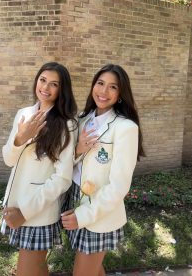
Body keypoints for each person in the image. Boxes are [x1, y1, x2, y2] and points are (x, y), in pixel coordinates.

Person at [61, 64, 145, 276]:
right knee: (94, 269)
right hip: (74, 198)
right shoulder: (82, 119)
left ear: (120, 94)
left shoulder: (126, 128)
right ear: (93, 86)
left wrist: (84, 215)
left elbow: (119, 186)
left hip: (99, 211)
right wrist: (78, 150)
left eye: (112, 87)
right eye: (100, 83)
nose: (103, 91)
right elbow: (68, 162)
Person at [1, 62, 77, 276]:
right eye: (43, 80)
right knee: (37, 269)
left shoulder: (66, 124)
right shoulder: (23, 114)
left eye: (54, 84)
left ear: (62, 90)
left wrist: (25, 212)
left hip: (37, 211)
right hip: (16, 203)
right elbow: (8, 160)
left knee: (25, 272)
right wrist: (20, 138)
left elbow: (62, 178)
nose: (46, 87)